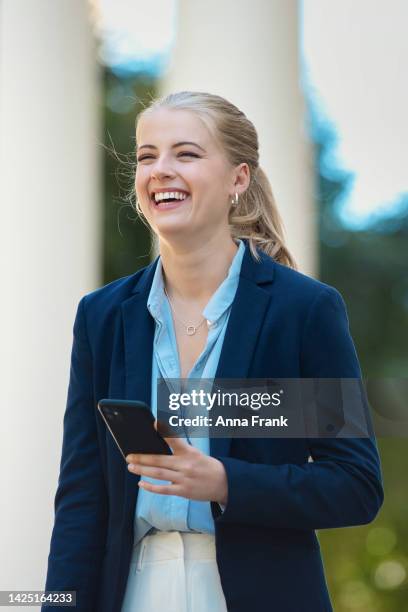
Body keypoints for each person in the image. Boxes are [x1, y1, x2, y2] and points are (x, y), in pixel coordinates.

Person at [43, 91, 384, 612]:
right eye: (147, 155)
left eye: (186, 153)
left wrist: (226, 482)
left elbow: (354, 484)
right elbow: (82, 501)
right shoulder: (104, 316)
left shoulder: (301, 310)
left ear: (238, 179)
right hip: (133, 590)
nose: (161, 170)